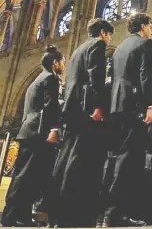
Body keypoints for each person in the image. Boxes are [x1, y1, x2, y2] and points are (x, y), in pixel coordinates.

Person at [51, 19, 113, 227]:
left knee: (66, 159)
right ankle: (74, 214)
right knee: (80, 162)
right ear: (103, 33)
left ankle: (58, 213)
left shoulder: (78, 49)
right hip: (86, 112)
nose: (109, 39)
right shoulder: (97, 45)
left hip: (72, 111)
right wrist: (98, 106)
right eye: (109, 35)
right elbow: (95, 77)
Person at [100, 12, 152, 227]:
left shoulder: (121, 47)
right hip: (134, 106)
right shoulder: (146, 44)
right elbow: (145, 75)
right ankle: (116, 214)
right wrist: (150, 105)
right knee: (130, 160)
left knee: (116, 158)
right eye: (150, 25)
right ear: (143, 26)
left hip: (116, 106)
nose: (151, 29)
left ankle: (109, 211)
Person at [1, 46, 64, 227]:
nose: (63, 66)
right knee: (24, 177)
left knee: (28, 177)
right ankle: (10, 217)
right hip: (38, 132)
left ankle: (21, 216)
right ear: (55, 63)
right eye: (62, 63)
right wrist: (53, 128)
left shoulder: (37, 79)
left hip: (28, 131)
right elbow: (50, 106)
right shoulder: (50, 78)